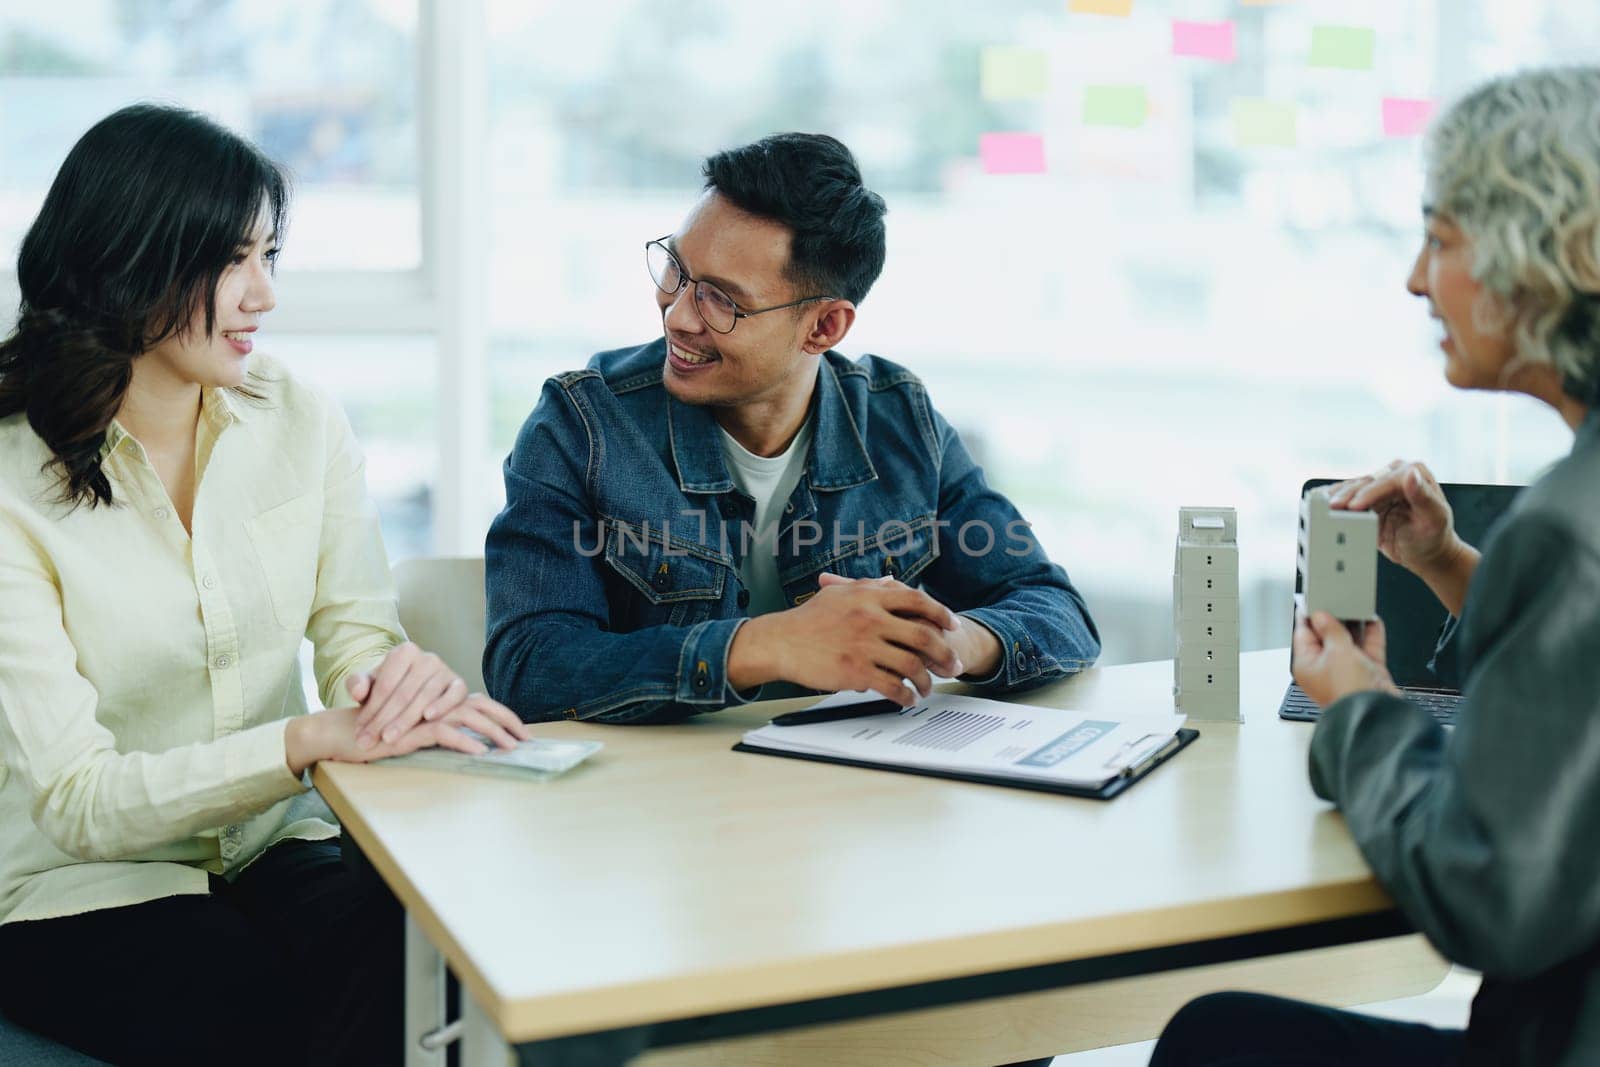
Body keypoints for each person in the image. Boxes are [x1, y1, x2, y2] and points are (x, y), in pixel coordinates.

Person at [0, 104, 529, 1066]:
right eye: (233, 260)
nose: (265, 295)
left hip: (271, 844)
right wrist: (302, 741)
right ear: (131, 261)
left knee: (439, 956)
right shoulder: (10, 483)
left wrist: (392, 688)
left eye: (270, 255)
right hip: (79, 882)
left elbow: (356, 635)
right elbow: (78, 799)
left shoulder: (299, 419)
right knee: (244, 1008)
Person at [1152, 66, 1600, 1066]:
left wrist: (1358, 702)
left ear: (1544, 254)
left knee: (1215, 1040)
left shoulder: (1567, 527)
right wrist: (1444, 561)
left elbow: (1490, 900)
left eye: (1439, 241)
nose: (1413, 278)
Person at [483, 132, 1099, 724]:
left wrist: (953, 641)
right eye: (676, 270)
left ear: (824, 328)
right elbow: (530, 665)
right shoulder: (582, 425)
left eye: (721, 300)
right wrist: (769, 645)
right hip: (656, 807)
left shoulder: (900, 421)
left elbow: (1057, 611)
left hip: (850, 797)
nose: (676, 314)